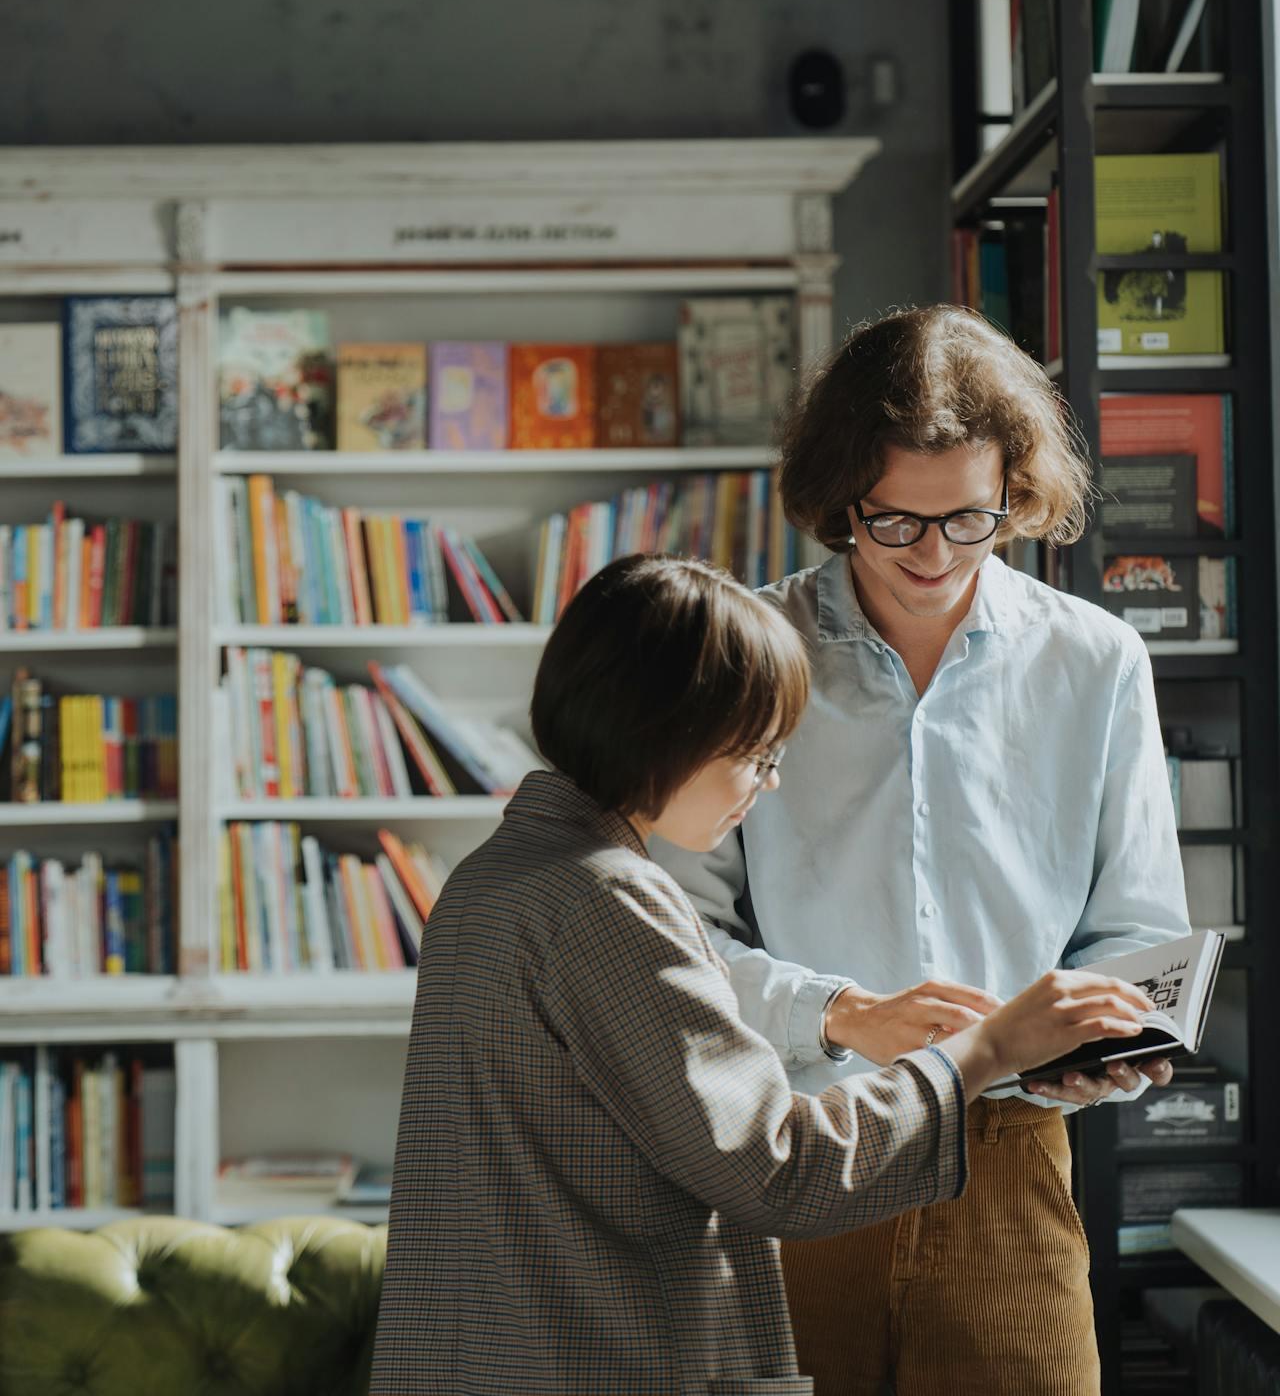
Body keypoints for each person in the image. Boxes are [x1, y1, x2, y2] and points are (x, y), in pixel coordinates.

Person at [368, 553, 1155, 1396]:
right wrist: (987, 1049)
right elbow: (782, 1169)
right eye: (754, 753)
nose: (769, 784)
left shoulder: (492, 878)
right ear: (666, 730)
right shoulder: (611, 899)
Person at [654, 305, 1190, 1396]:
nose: (932, 557)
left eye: (969, 521)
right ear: (839, 500)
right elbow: (671, 939)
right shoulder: (748, 657)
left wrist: (1100, 1042)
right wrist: (839, 1012)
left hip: (1008, 1159)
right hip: (797, 1151)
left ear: (1014, 497)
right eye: (894, 523)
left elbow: (1135, 926)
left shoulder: (1093, 661)